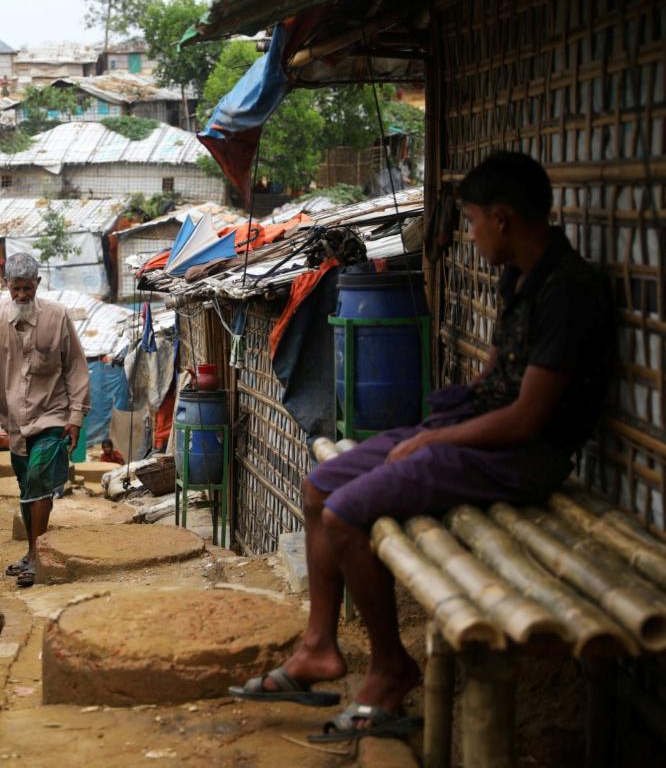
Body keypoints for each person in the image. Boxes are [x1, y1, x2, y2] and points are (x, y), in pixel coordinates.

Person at [229, 151, 612, 742]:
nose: (473, 233)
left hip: (520, 457)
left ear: (503, 218)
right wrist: (443, 422)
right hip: (481, 433)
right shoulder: (521, 275)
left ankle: (390, 669)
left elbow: (529, 419)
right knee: (316, 487)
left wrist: (437, 438)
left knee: (346, 515)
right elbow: (497, 378)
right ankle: (318, 648)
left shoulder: (569, 292)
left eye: (476, 220)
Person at [0, 253, 90, 588]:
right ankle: (33, 549)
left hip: (52, 414)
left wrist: (76, 417)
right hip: (14, 421)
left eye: (27, 288)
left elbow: (76, 367)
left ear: (37, 284)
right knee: (28, 488)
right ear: (6, 285)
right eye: (16, 289)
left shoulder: (57, 316)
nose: (21, 295)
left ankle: (37, 557)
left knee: (37, 479)